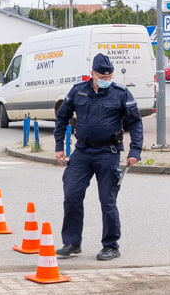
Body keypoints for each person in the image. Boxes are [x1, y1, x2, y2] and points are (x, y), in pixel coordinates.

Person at [53, 53, 143, 261]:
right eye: (102, 77)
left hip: (108, 153)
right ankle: (72, 243)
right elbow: (62, 117)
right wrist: (59, 146)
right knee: (72, 196)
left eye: (109, 77)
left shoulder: (121, 93)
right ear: (91, 74)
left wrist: (135, 151)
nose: (105, 81)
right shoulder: (78, 91)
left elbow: (136, 123)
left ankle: (111, 245)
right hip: (82, 152)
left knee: (107, 201)